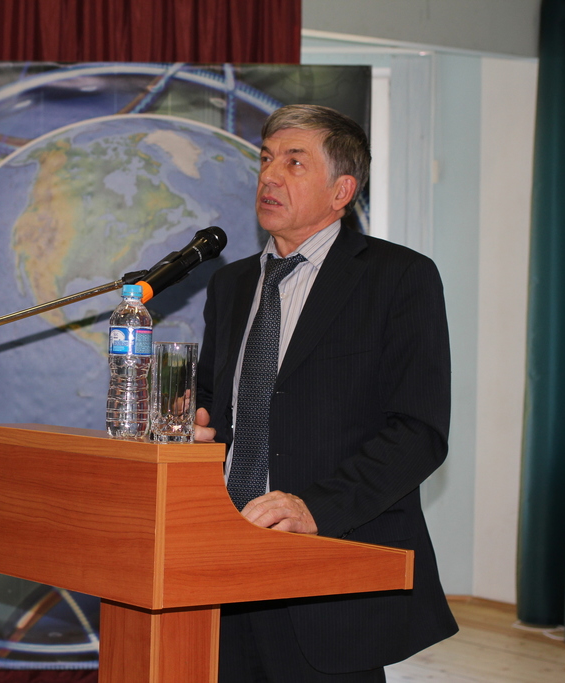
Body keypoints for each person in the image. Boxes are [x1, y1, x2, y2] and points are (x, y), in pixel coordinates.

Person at [194, 104, 458, 682]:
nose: (269, 176)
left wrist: (317, 508)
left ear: (342, 190)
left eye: (294, 162)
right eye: (266, 159)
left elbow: (418, 431)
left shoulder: (399, 277)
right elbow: (213, 400)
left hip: (328, 568)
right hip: (223, 560)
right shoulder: (230, 283)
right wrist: (194, 424)